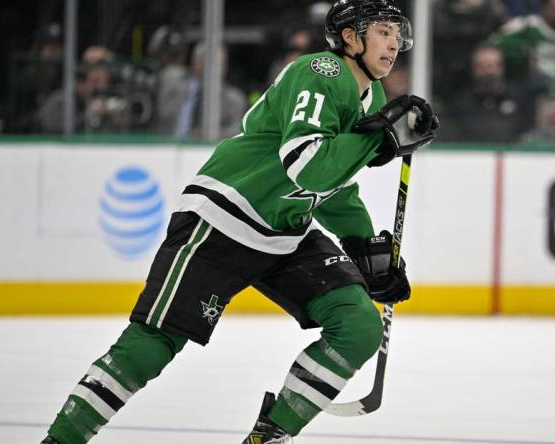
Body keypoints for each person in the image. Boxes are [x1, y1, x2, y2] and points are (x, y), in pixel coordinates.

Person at [39, 1, 438, 443]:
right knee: (153, 344)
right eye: (383, 31)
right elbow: (307, 166)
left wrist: (362, 244)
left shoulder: (371, 97)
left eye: (398, 34)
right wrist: (377, 138)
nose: (394, 43)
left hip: (285, 231)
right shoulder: (321, 71)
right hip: (224, 218)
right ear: (350, 37)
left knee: (358, 326)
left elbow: (333, 186)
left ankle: (268, 436)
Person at [444, 43, 534, 143]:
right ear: (474, 69)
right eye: (483, 66)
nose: (489, 72)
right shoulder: (460, 104)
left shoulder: (520, 98)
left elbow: (528, 131)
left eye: (493, 65)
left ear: (502, 68)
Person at [492, 0, 555, 88]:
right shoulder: (529, 25)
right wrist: (520, 51)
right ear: (545, 8)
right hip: (533, 83)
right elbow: (497, 40)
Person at [172, 41, 249, 140]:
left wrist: (198, 135)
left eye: (221, 65)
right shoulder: (178, 90)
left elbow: (236, 133)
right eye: (214, 65)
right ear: (196, 65)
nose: (220, 70)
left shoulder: (234, 100)